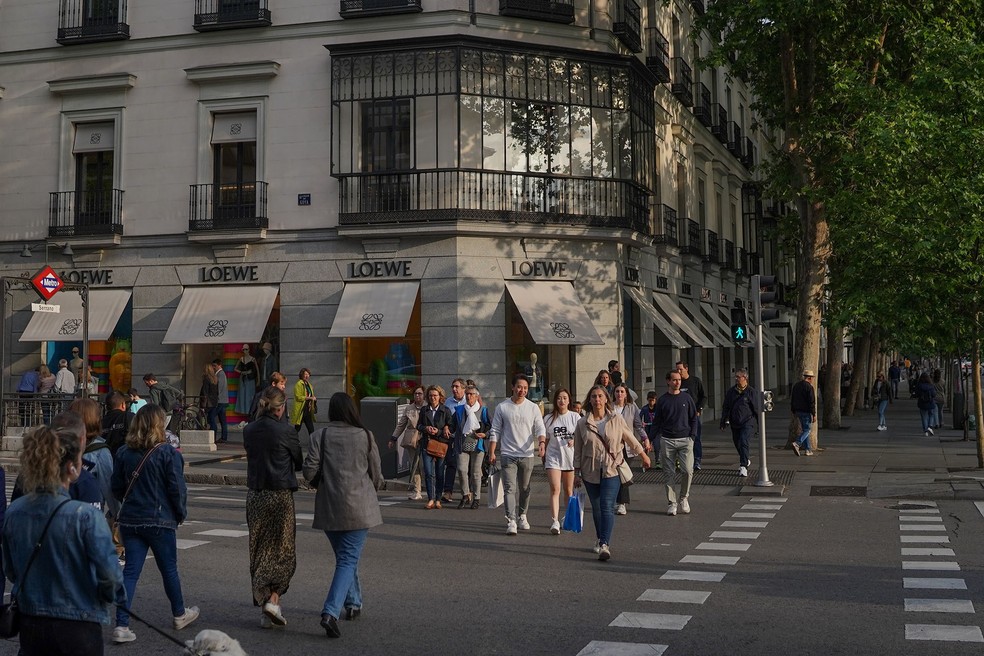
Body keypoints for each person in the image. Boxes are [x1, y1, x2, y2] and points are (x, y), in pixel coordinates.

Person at [2, 424, 124, 656]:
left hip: (31, 620)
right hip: (78, 622)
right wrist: (107, 596)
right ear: (72, 468)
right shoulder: (85, 515)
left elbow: (10, 569)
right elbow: (110, 575)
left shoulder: (15, 511)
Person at [111, 404, 199, 643]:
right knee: (168, 569)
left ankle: (121, 624)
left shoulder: (123, 453)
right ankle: (179, 613)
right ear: (160, 425)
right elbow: (176, 489)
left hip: (131, 518)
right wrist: (180, 513)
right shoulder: (168, 453)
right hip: (160, 519)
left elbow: (117, 487)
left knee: (130, 572)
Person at [302, 392, 383, 639]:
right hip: (360, 507)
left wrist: (323, 481)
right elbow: (377, 473)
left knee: (346, 557)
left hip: (329, 506)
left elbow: (308, 471)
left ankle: (354, 602)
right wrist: (373, 488)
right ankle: (330, 612)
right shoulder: (365, 436)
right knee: (347, 559)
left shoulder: (320, 436)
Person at [244, 386, 302, 629]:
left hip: (256, 495)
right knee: (283, 549)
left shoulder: (249, 430)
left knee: (259, 549)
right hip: (280, 494)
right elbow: (298, 461)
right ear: (281, 406)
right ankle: (274, 600)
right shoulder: (286, 431)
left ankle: (266, 601)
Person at [573, 385, 650, 561]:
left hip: (612, 468)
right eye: (593, 396)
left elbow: (629, 438)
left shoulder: (616, 419)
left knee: (607, 506)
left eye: (600, 396)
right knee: (597, 508)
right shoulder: (582, 423)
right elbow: (577, 450)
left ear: (606, 399)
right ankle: (601, 538)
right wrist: (576, 473)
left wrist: (643, 455)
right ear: (589, 400)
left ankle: (604, 544)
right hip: (589, 470)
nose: (597, 400)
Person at [488, 374, 546, 535]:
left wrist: (541, 443)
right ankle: (511, 520)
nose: (522, 390)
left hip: (527, 454)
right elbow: (495, 430)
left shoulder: (533, 407)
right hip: (508, 454)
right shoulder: (502, 407)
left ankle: (522, 515)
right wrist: (492, 451)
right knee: (509, 488)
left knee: (525, 488)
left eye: (525, 388)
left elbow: (540, 428)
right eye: (519, 387)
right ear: (512, 387)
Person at [652, 369, 698, 516]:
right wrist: (650, 439)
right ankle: (672, 503)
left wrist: (692, 436)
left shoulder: (687, 398)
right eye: (674, 380)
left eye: (679, 380)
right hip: (667, 440)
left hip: (685, 439)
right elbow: (657, 421)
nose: (677, 382)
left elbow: (694, 418)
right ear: (668, 381)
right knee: (668, 473)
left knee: (687, 471)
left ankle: (684, 498)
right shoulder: (663, 400)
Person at [542, 388, 579, 534]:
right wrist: (542, 447)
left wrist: (574, 440)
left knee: (568, 491)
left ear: (569, 400)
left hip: (569, 458)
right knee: (555, 489)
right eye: (559, 398)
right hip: (553, 458)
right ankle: (555, 521)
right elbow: (545, 438)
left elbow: (581, 435)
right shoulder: (549, 418)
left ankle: (567, 517)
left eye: (564, 398)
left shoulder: (575, 417)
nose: (561, 401)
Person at [452, 385, 491, 510]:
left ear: (476, 396)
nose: (469, 396)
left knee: (475, 473)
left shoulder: (482, 410)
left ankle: (477, 498)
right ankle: (465, 495)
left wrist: (485, 434)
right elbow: (452, 425)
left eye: (472, 394)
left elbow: (491, 426)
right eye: (467, 394)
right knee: (462, 470)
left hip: (477, 445)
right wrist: (447, 428)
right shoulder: (459, 410)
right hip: (462, 444)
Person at [611, 383, 648, 515]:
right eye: (617, 391)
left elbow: (638, 426)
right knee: (614, 475)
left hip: (628, 447)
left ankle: (621, 503)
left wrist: (645, 439)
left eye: (622, 392)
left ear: (626, 394)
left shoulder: (632, 408)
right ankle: (616, 500)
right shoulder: (609, 408)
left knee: (623, 474)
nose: (619, 394)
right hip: (613, 447)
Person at [416, 385, 455, 509]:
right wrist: (426, 428)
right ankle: (431, 498)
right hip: (427, 443)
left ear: (440, 397)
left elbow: (451, 427)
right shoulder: (424, 410)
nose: (433, 398)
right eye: (431, 395)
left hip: (441, 443)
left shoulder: (445, 410)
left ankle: (438, 498)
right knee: (428, 472)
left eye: (435, 395)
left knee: (439, 472)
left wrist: (439, 430)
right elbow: (418, 426)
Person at [720, 369, 763, 477]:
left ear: (745, 378)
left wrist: (759, 424)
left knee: (744, 441)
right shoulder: (731, 392)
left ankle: (743, 466)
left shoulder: (751, 392)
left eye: (738, 377)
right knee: (737, 443)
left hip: (747, 421)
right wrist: (723, 421)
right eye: (736, 377)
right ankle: (745, 458)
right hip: (735, 422)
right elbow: (726, 407)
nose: (736, 379)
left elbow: (756, 409)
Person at [389, 386, 425, 501]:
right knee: (414, 466)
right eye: (415, 393)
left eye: (419, 393)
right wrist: (393, 438)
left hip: (425, 438)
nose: (417, 395)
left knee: (425, 466)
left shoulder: (427, 407)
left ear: (424, 395)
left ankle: (431, 490)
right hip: (411, 439)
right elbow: (401, 424)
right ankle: (416, 490)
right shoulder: (409, 408)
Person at [441, 378, 467, 504]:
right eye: (453, 386)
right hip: (451, 438)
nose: (454, 389)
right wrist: (446, 426)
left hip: (466, 439)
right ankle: (448, 492)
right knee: (451, 464)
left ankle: (467, 492)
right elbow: (444, 418)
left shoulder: (468, 401)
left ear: (463, 388)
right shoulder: (448, 402)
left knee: (466, 468)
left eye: (457, 386)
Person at [676, 361, 705, 470]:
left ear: (686, 369)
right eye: (677, 370)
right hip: (680, 416)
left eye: (680, 369)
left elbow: (703, 396)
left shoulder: (695, 381)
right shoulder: (677, 383)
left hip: (693, 415)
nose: (679, 372)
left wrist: (699, 408)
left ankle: (697, 459)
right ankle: (683, 460)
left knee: (695, 437)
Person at [790, 370, 817, 456]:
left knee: (805, 430)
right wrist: (814, 414)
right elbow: (812, 402)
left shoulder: (796, 386)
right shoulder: (809, 387)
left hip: (798, 411)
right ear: (809, 378)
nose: (812, 379)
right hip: (806, 411)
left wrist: (793, 410)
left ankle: (808, 449)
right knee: (807, 430)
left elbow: (793, 398)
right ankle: (797, 443)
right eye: (812, 378)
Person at [290, 368, 317, 439]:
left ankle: (313, 443)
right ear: (301, 375)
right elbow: (298, 397)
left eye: (308, 374)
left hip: (307, 410)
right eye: (305, 374)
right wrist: (310, 398)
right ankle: (291, 441)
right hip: (301, 410)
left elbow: (310, 395)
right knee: (297, 429)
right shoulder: (299, 384)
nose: (307, 376)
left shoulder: (309, 385)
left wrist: (313, 400)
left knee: (311, 429)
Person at [638, 391, 661, 470]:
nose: (651, 402)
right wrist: (642, 423)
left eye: (653, 400)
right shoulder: (645, 409)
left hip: (656, 430)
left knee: (657, 446)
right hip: (648, 430)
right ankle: (646, 461)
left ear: (655, 400)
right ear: (647, 400)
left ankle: (658, 461)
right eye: (650, 400)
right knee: (647, 446)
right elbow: (639, 418)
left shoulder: (658, 408)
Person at [235, 345, 260, 415]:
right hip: (243, 379)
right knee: (242, 395)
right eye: (243, 350)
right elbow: (235, 368)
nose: (245, 351)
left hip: (251, 379)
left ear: (249, 350)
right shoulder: (241, 359)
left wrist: (258, 380)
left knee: (250, 395)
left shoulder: (253, 359)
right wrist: (242, 372)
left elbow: (257, 370)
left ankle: (250, 410)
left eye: (246, 349)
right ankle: (243, 411)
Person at [200, 362, 219, 439]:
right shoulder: (215, 379)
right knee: (212, 419)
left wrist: (202, 405)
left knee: (203, 418)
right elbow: (217, 392)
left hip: (208, 403)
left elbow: (205, 392)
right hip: (214, 402)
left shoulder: (206, 379)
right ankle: (213, 436)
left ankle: (207, 436)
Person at [915, 372, 937, 437]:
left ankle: (925, 431)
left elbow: (917, 394)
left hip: (922, 403)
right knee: (931, 414)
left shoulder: (919, 385)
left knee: (924, 417)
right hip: (930, 402)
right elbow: (934, 394)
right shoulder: (931, 385)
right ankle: (930, 426)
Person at [213, 359, 229, 443]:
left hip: (221, 400)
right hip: (222, 400)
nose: (214, 367)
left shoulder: (221, 374)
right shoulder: (219, 374)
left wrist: (215, 397)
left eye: (215, 366)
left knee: (212, 417)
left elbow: (219, 388)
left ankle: (221, 437)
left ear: (219, 365)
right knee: (222, 420)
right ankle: (224, 437)